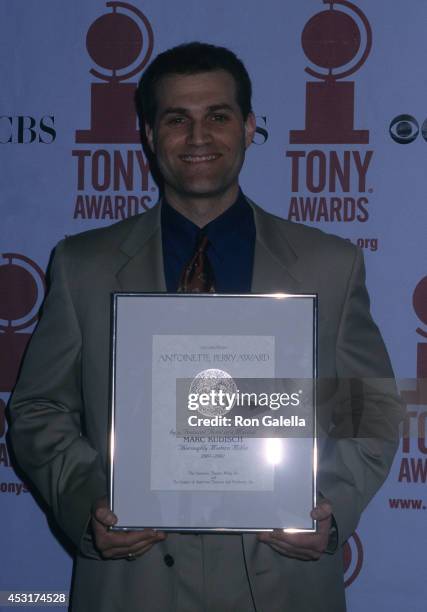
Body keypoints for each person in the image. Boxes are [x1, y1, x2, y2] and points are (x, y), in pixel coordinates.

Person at [9, 42, 402, 611]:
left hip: (283, 582)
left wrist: (331, 508)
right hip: (132, 583)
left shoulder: (330, 264)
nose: (198, 139)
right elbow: (38, 408)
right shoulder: (82, 266)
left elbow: (370, 407)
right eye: (177, 120)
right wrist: (87, 499)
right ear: (148, 134)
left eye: (217, 117)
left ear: (248, 128)